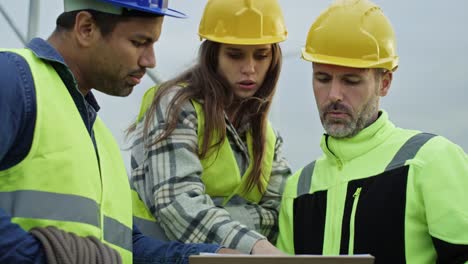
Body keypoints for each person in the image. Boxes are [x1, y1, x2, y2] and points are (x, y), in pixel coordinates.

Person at [0, 0, 238, 263]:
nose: (150, 60)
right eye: (139, 42)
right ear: (86, 28)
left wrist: (207, 257)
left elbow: (125, 246)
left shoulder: (99, 138)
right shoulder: (13, 79)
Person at [276, 0, 468, 263]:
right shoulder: (299, 187)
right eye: (322, 78)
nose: (333, 95)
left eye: (351, 80)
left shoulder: (430, 161)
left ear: (385, 83)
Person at [129, 0, 292, 255]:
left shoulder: (269, 137)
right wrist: (255, 243)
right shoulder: (174, 105)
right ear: (212, 54)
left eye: (261, 55)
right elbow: (177, 205)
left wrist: (211, 212)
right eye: (235, 54)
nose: (249, 69)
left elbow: (278, 215)